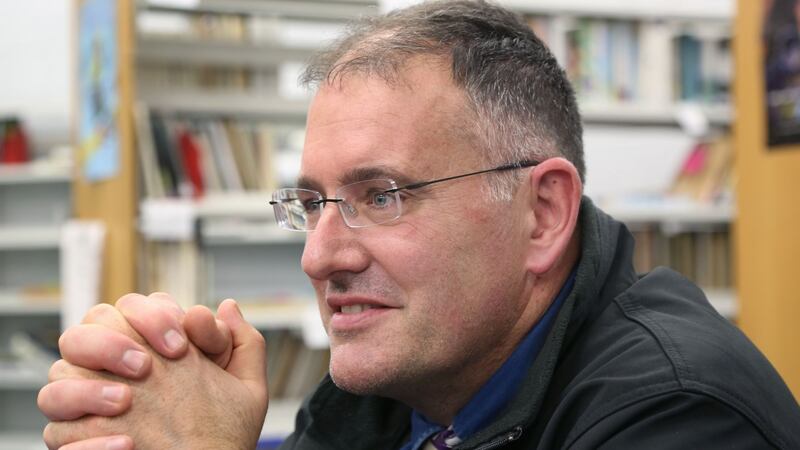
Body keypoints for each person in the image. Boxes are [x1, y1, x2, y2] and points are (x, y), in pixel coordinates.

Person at [38, 1, 800, 449]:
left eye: (381, 196)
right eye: (312, 203)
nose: (320, 256)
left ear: (542, 215)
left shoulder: (680, 414)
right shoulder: (394, 390)